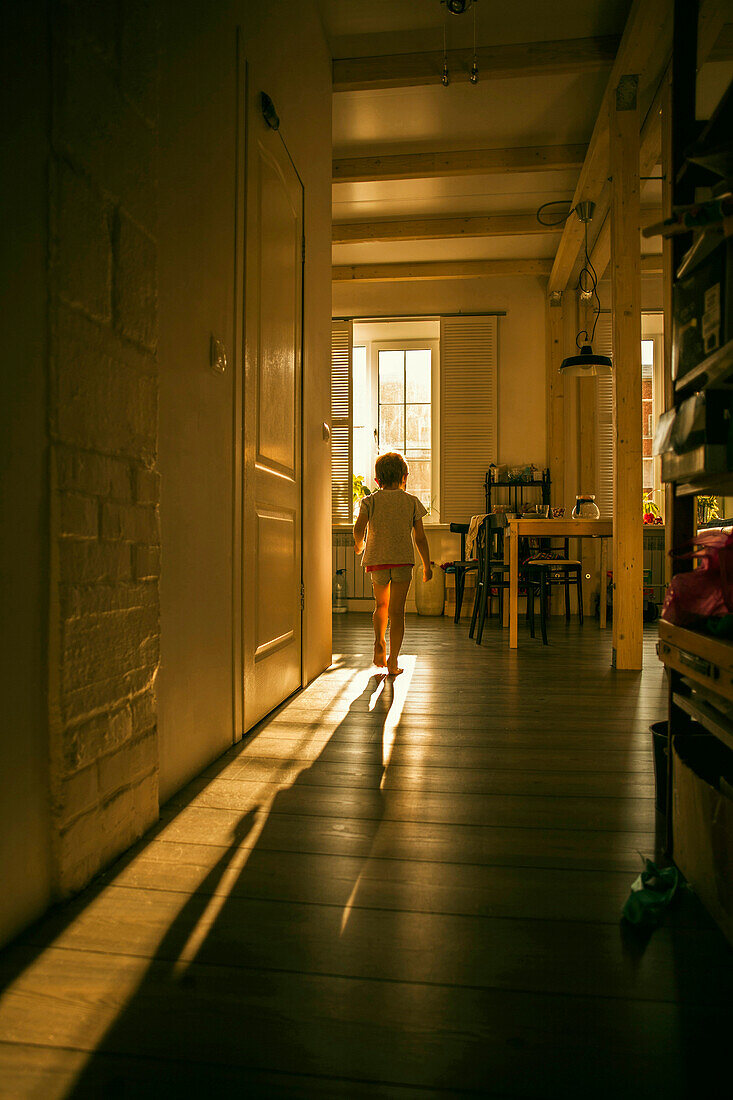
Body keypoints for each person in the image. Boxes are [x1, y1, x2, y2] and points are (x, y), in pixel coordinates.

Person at [353, 451, 432, 676]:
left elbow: (358, 528)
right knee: (398, 612)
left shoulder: (369, 501)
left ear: (377, 480)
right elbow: (420, 537)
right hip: (402, 563)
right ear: (405, 477)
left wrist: (360, 545)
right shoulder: (412, 502)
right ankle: (394, 660)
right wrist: (426, 565)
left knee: (381, 606)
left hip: (377, 560)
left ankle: (379, 642)